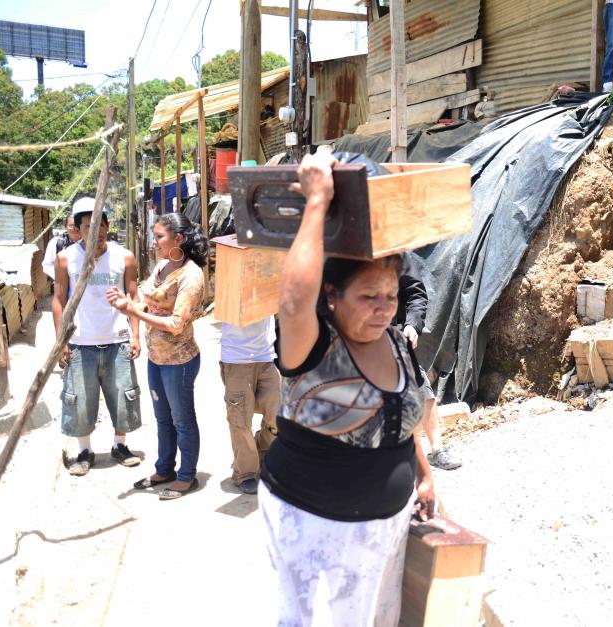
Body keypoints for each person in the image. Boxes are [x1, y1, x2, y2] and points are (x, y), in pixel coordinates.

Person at [259, 149, 435, 625]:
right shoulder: (311, 348)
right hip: (313, 524)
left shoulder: (397, 342)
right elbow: (293, 304)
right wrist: (318, 201)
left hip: (384, 529)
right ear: (332, 296)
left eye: (392, 297)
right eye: (369, 296)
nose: (384, 308)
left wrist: (422, 474)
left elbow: (399, 417)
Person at [107, 213, 207, 501]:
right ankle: (165, 469)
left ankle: (188, 477)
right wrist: (128, 304)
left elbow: (177, 324)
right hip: (157, 358)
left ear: (179, 239)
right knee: (163, 419)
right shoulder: (163, 265)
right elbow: (146, 300)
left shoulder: (191, 275)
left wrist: (133, 311)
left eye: (160, 236)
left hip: (180, 361)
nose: (155, 241)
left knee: (182, 420)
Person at [53, 198, 142, 476]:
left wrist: (136, 335)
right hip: (81, 343)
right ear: (78, 229)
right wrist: (61, 342)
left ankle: (119, 446)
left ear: (107, 226)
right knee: (79, 399)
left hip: (117, 340)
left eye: (100, 226)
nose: (96, 232)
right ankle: (84, 451)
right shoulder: (66, 258)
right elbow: (57, 300)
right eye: (88, 227)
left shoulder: (124, 257)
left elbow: (133, 296)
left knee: (122, 396)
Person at [398, 263, 462, 470]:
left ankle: (437, 450)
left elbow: (415, 293)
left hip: (393, 335)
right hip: (351, 339)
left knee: (422, 389)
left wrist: (412, 324)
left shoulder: (395, 255)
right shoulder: (338, 257)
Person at [219, 316, 281, 495]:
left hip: (266, 356)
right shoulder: (229, 288)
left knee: (278, 415)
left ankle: (260, 449)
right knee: (240, 420)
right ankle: (245, 473)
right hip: (236, 359)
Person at [42, 215, 81, 280]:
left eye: (78, 225)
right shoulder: (56, 242)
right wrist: (61, 277)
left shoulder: (90, 243)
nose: (75, 228)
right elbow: (47, 265)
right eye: (71, 225)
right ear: (66, 227)